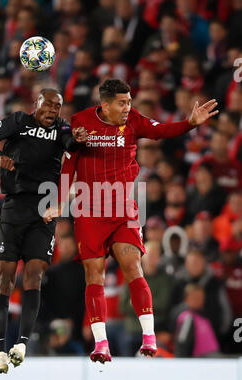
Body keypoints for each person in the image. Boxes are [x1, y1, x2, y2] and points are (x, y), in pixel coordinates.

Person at [43, 78, 218, 363]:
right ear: (105, 104)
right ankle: (101, 344)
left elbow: (161, 131)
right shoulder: (82, 122)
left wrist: (190, 123)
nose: (128, 107)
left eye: (129, 101)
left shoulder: (134, 121)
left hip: (123, 207)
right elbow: (69, 164)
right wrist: (61, 201)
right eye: (122, 103)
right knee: (94, 273)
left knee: (132, 266)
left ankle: (149, 337)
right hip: (89, 210)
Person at [0, 88, 87, 374]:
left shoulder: (61, 128)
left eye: (57, 107)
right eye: (48, 105)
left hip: (44, 210)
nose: (53, 110)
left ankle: (21, 344)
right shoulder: (18, 121)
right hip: (13, 208)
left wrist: (78, 139)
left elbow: (71, 144)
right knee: (5, 278)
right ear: (36, 104)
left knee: (35, 273)